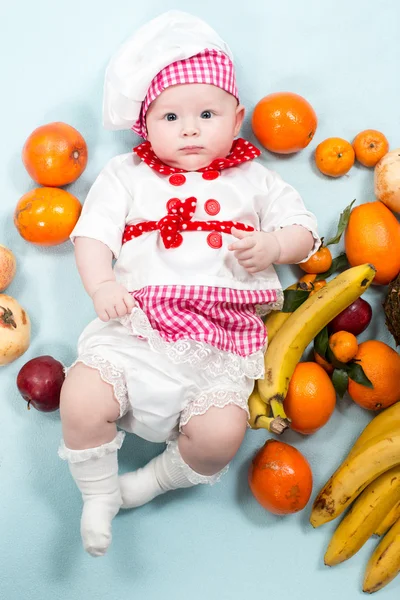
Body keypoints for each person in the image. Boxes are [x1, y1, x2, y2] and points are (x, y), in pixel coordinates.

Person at [58, 10, 320, 558]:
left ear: (238, 117)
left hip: (220, 343)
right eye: (171, 116)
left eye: (207, 113)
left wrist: (274, 246)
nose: (191, 128)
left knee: (224, 435)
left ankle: (147, 483)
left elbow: (305, 232)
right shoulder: (127, 174)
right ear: (145, 127)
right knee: (80, 397)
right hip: (138, 326)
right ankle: (99, 493)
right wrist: (102, 284)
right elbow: (91, 235)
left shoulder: (253, 177)